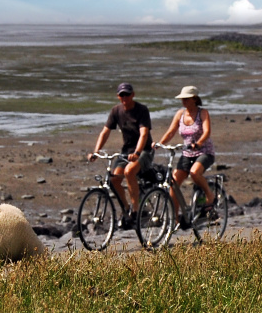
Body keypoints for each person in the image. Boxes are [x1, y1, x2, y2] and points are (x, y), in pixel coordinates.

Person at [87, 82, 152, 227]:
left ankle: (136, 211)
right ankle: (126, 209)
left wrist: (137, 152)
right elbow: (105, 132)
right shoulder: (116, 111)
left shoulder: (141, 110)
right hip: (126, 151)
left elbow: (144, 134)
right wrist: (96, 151)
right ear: (118, 96)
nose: (125, 97)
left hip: (144, 150)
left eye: (127, 94)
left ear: (132, 95)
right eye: (122, 95)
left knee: (129, 172)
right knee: (114, 180)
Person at [154, 85, 216, 223]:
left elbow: (207, 132)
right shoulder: (180, 114)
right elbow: (171, 132)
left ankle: (209, 196)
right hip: (187, 153)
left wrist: (199, 143)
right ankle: (175, 220)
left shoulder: (203, 113)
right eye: (182, 99)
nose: (184, 102)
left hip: (204, 151)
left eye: (186, 99)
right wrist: (159, 143)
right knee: (174, 183)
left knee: (195, 173)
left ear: (194, 99)